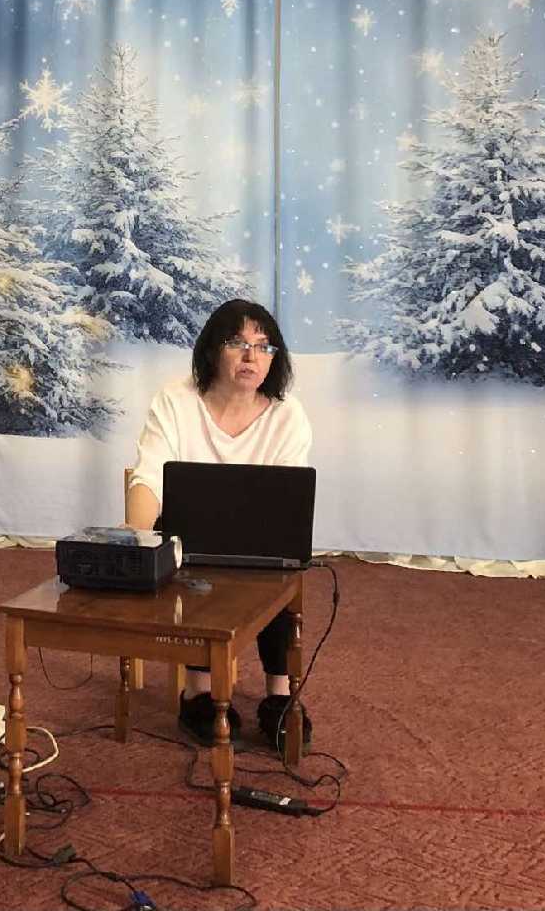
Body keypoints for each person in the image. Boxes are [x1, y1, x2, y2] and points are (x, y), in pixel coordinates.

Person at [125, 298, 313, 752]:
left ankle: (279, 697)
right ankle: (198, 694)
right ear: (212, 349)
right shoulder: (175, 400)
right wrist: (136, 544)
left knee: (277, 567)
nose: (251, 356)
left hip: (261, 549)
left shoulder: (287, 414)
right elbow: (148, 477)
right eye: (237, 343)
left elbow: (286, 501)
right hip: (188, 546)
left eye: (263, 346)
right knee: (188, 563)